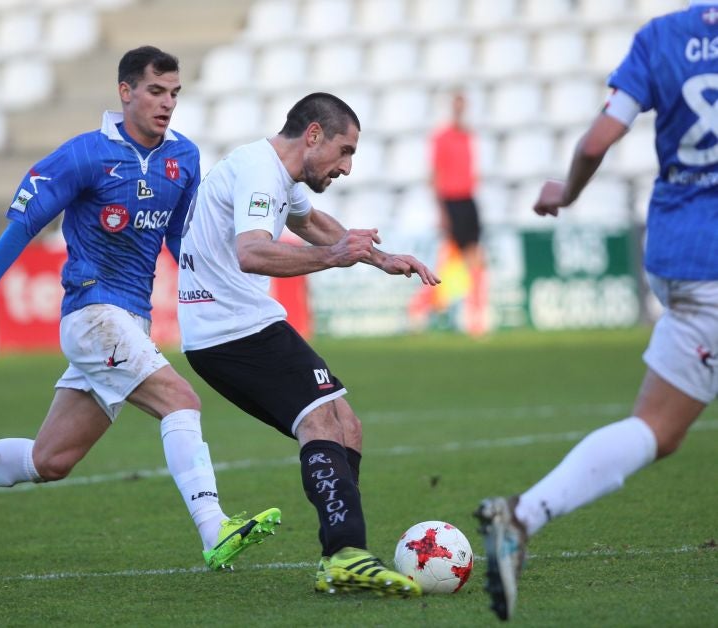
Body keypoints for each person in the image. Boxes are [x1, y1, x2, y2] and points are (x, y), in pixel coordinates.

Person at [0, 46, 281, 570]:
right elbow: (25, 222)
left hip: (132, 320)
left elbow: (178, 237)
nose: (167, 103)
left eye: (174, 93)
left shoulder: (185, 158)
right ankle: (215, 528)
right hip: (93, 314)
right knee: (180, 401)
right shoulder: (86, 154)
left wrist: (217, 287)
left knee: (51, 459)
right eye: (155, 91)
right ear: (125, 92)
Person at [475, 2, 718, 621]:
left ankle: (522, 516)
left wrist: (568, 190)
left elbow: (599, 138)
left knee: (656, 431)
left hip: (678, 256)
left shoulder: (663, 36)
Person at [176, 92, 441, 596]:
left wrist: (377, 258)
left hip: (237, 325)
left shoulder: (278, 173)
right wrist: (336, 257)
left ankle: (339, 555)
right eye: (345, 151)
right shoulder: (258, 170)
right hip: (231, 328)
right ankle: (345, 553)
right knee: (321, 420)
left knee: (345, 425)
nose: (346, 167)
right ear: (313, 134)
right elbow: (251, 253)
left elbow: (310, 223)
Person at [425, 90, 487, 336]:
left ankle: (473, 316)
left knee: (471, 259)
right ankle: (428, 308)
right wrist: (441, 211)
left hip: (468, 200)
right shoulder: (442, 137)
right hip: (452, 201)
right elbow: (435, 174)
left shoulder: (468, 136)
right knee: (456, 260)